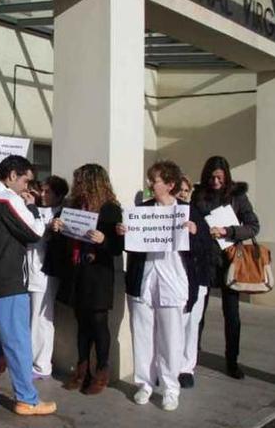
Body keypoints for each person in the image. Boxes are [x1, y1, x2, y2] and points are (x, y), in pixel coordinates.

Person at [0, 155, 56, 416]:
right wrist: (34, 210)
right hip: (7, 280)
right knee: (18, 342)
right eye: (25, 180)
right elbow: (34, 233)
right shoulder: (7, 199)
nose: (28, 187)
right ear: (12, 176)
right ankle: (26, 399)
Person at [117, 160, 200, 412]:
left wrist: (195, 232)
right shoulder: (142, 210)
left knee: (171, 338)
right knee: (142, 334)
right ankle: (144, 383)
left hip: (173, 280)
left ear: (170, 184)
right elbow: (131, 245)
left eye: (155, 180)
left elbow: (204, 248)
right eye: (150, 180)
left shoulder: (187, 211)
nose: (150, 184)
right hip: (144, 280)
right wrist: (123, 233)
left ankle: (170, 388)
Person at [55, 164, 123, 395]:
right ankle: (82, 369)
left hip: (98, 274)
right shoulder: (73, 206)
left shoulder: (110, 210)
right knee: (81, 323)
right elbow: (63, 234)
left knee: (98, 323)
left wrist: (104, 239)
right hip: (78, 272)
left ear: (93, 183)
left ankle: (102, 370)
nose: (77, 186)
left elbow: (117, 247)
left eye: (81, 182)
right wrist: (58, 226)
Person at [193, 156, 260, 380]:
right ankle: (191, 356)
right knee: (197, 312)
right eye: (212, 177)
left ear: (226, 176)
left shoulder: (238, 196)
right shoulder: (198, 194)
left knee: (231, 314)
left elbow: (253, 226)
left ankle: (232, 360)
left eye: (220, 177)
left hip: (229, 261)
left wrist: (227, 231)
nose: (215, 181)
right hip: (203, 260)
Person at [28, 175, 68, 380]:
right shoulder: (32, 207)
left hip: (44, 270)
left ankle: (41, 364)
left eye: (48, 192)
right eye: (41, 191)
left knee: (41, 317)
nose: (43, 195)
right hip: (28, 268)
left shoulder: (61, 214)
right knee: (30, 316)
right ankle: (29, 358)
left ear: (59, 195)